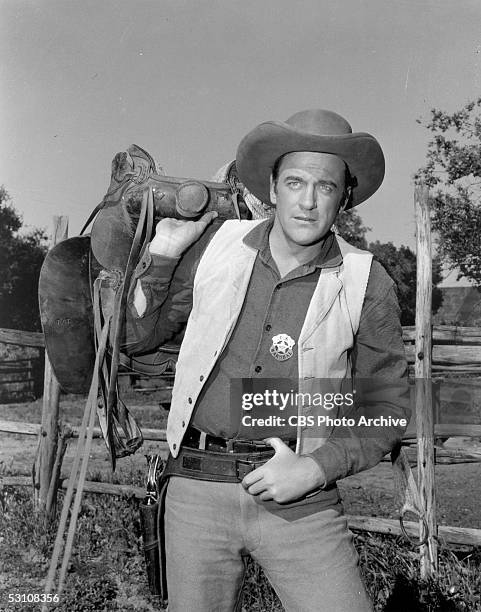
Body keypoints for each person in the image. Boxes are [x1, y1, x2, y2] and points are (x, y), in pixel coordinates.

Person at [125, 109, 410, 612]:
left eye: (325, 187)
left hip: (302, 500)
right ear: (273, 187)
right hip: (196, 484)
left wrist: (316, 469)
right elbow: (137, 341)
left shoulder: (367, 280)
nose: (307, 201)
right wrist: (165, 253)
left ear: (344, 197)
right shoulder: (215, 249)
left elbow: (385, 406)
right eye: (295, 182)